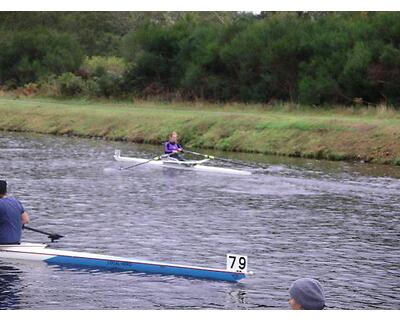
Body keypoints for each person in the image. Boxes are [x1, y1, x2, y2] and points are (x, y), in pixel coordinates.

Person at [0, 180, 30, 244]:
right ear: (5, 192)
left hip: (2, 242)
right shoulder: (15, 201)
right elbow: (26, 220)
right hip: (15, 241)